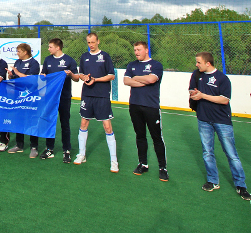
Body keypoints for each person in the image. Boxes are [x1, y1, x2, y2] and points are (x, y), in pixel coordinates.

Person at [189, 52, 251, 200]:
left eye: (199, 62)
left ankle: (240, 184)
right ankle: (212, 180)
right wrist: (194, 93)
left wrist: (203, 95)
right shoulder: (196, 75)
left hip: (222, 121)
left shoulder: (222, 78)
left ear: (207, 63)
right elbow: (192, 90)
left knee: (231, 154)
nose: (196, 65)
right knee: (207, 152)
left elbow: (224, 100)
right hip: (203, 119)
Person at [123, 41, 168, 181]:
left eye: (139, 49)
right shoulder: (132, 65)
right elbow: (126, 81)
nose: (136, 52)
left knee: (157, 138)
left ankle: (163, 168)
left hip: (151, 107)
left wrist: (136, 78)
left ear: (146, 50)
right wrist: (143, 80)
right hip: (135, 105)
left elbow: (152, 79)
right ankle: (143, 164)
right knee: (140, 135)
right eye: (135, 50)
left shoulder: (156, 65)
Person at [75, 32, 118, 173]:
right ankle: (82, 154)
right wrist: (84, 77)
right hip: (87, 95)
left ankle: (114, 161)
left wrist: (96, 80)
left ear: (98, 41)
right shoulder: (84, 56)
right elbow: (81, 74)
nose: (91, 45)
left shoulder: (105, 56)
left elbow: (111, 76)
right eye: (88, 42)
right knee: (83, 123)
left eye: (93, 42)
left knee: (107, 127)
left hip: (102, 96)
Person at [41, 38, 78, 163]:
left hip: (64, 97)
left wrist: (70, 75)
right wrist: (43, 77)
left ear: (58, 47)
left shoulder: (69, 60)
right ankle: (49, 149)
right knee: (49, 122)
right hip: (50, 97)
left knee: (64, 124)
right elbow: (43, 75)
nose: (48, 49)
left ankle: (66, 150)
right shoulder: (47, 60)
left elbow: (77, 78)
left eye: (50, 47)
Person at [6, 43, 41, 157]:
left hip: (30, 96)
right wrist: (11, 75)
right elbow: (16, 78)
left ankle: (34, 147)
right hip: (18, 96)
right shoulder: (18, 62)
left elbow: (31, 80)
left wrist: (17, 73)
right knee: (18, 119)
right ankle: (19, 145)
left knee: (31, 120)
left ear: (25, 52)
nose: (17, 53)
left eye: (19, 51)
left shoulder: (34, 63)